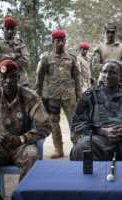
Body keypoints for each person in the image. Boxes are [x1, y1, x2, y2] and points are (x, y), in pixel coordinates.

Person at [0, 60, 51, 200]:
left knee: (32, 156)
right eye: (4, 77)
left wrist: (21, 139)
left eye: (12, 76)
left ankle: (19, 197)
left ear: (18, 77)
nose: (8, 81)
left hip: (22, 146)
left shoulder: (30, 97)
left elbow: (45, 126)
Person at [35, 29, 82, 158]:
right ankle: (58, 149)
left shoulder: (71, 58)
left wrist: (79, 95)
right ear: (53, 42)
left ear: (65, 41)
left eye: (62, 41)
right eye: (58, 41)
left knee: (74, 122)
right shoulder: (46, 59)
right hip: (52, 96)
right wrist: (38, 97)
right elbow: (39, 80)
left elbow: (77, 78)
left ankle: (78, 148)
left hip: (69, 97)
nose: (60, 43)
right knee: (54, 122)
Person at [0, 16, 30, 86]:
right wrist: (14, 55)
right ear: (3, 29)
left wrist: (6, 61)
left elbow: (26, 61)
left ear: (14, 30)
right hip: (2, 80)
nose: (10, 31)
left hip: (20, 81)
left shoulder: (20, 43)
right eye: (7, 28)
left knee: (30, 96)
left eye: (12, 29)